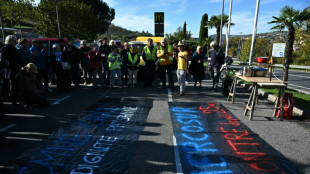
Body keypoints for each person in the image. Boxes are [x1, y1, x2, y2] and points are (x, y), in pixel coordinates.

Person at [1, 35, 22, 105]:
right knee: (11, 84)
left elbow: (18, 59)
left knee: (15, 84)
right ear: (9, 41)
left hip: (15, 69)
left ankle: (16, 97)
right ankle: (13, 99)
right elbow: (3, 60)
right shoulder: (4, 48)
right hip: (8, 70)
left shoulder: (14, 48)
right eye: (14, 41)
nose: (15, 42)